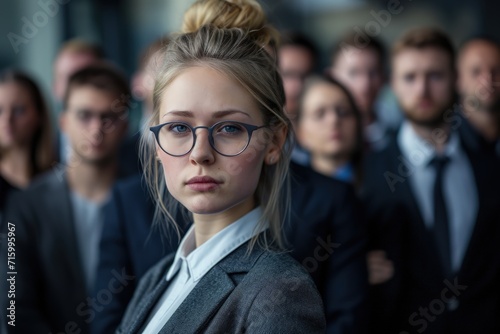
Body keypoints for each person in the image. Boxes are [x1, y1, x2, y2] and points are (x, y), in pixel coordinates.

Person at [95, 1, 369, 333]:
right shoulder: (158, 277)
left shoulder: (280, 294)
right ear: (156, 143)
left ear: (274, 142)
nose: (200, 153)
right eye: (179, 128)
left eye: (229, 129)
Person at [362, 27, 500, 333]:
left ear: (455, 79)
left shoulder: (489, 164)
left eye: (435, 75)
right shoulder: (368, 173)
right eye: (410, 77)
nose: (422, 90)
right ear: (392, 83)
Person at [0, 64, 132, 334]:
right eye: (84, 115)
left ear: (126, 125)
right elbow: (14, 306)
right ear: (64, 122)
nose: (96, 128)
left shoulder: (145, 203)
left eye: (108, 116)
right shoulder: (25, 206)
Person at [0, 69, 54, 225]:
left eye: (19, 110)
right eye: (0, 110)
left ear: (39, 115)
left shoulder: (57, 178)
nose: (7, 120)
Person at [328, 33, 393, 151]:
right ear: (332, 78)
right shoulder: (310, 139)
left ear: (384, 77)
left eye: (373, 73)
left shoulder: (398, 133)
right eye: (353, 73)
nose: (365, 85)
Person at [296, 75, 364, 185]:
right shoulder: (291, 193)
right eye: (320, 114)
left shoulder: (382, 183)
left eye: (343, 112)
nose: (334, 120)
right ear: (300, 132)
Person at [457, 36, 500, 156]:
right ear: (458, 78)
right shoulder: (445, 143)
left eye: (496, 71)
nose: (488, 81)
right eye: (476, 72)